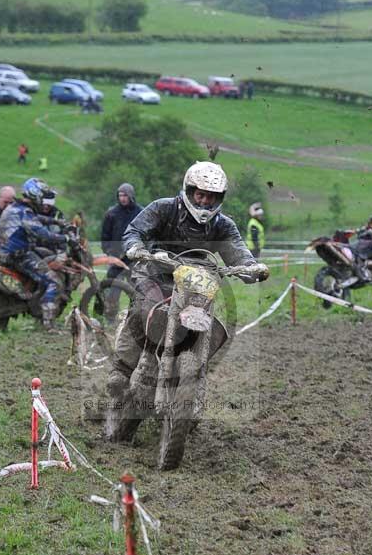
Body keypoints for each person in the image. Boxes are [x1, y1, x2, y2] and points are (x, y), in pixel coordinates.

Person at [107, 161, 269, 395]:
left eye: (211, 197)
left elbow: (239, 253)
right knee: (142, 310)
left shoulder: (223, 225)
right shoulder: (163, 208)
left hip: (199, 283)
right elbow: (135, 230)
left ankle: (192, 377)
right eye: (201, 195)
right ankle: (121, 369)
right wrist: (135, 247)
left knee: (215, 325)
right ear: (190, 190)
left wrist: (252, 269)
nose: (205, 201)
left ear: (219, 198)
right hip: (157, 271)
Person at [0, 178, 69, 331]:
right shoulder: (25, 211)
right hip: (17, 255)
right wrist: (66, 238)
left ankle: (35, 295)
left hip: (4, 252)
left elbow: (36, 219)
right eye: (42, 196)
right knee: (54, 282)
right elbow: (43, 234)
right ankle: (48, 325)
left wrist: (58, 223)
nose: (43, 200)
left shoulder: (18, 208)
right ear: (35, 194)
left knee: (43, 254)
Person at [100, 183, 142, 322]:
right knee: (113, 289)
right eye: (120, 195)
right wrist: (110, 253)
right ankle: (110, 318)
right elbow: (105, 237)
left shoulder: (140, 212)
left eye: (125, 195)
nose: (122, 198)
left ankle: (135, 318)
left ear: (131, 196)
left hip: (134, 258)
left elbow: (147, 233)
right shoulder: (111, 213)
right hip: (116, 258)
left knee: (137, 290)